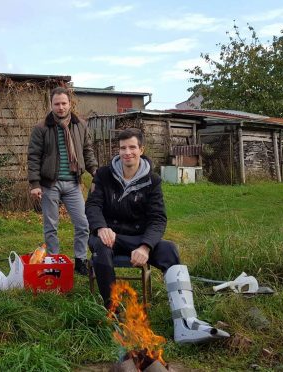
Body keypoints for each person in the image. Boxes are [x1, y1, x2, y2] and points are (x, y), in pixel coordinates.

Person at [85, 128, 229, 344]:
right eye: (123, 148)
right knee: (101, 250)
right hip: (108, 235)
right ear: (118, 150)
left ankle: (186, 322)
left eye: (132, 147)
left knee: (169, 250)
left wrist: (145, 247)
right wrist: (100, 227)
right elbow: (93, 206)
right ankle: (114, 316)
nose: (127, 152)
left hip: (137, 238)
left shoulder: (153, 181)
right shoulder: (104, 175)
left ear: (141, 150)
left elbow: (158, 218)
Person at [27, 87, 98, 276]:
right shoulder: (41, 128)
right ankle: (53, 261)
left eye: (63, 103)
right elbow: (33, 157)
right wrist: (34, 184)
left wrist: (95, 172)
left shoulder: (80, 125)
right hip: (49, 184)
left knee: (83, 224)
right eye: (56, 104)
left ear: (69, 104)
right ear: (51, 105)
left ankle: (81, 260)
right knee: (51, 226)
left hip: (73, 183)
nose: (60, 107)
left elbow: (87, 151)